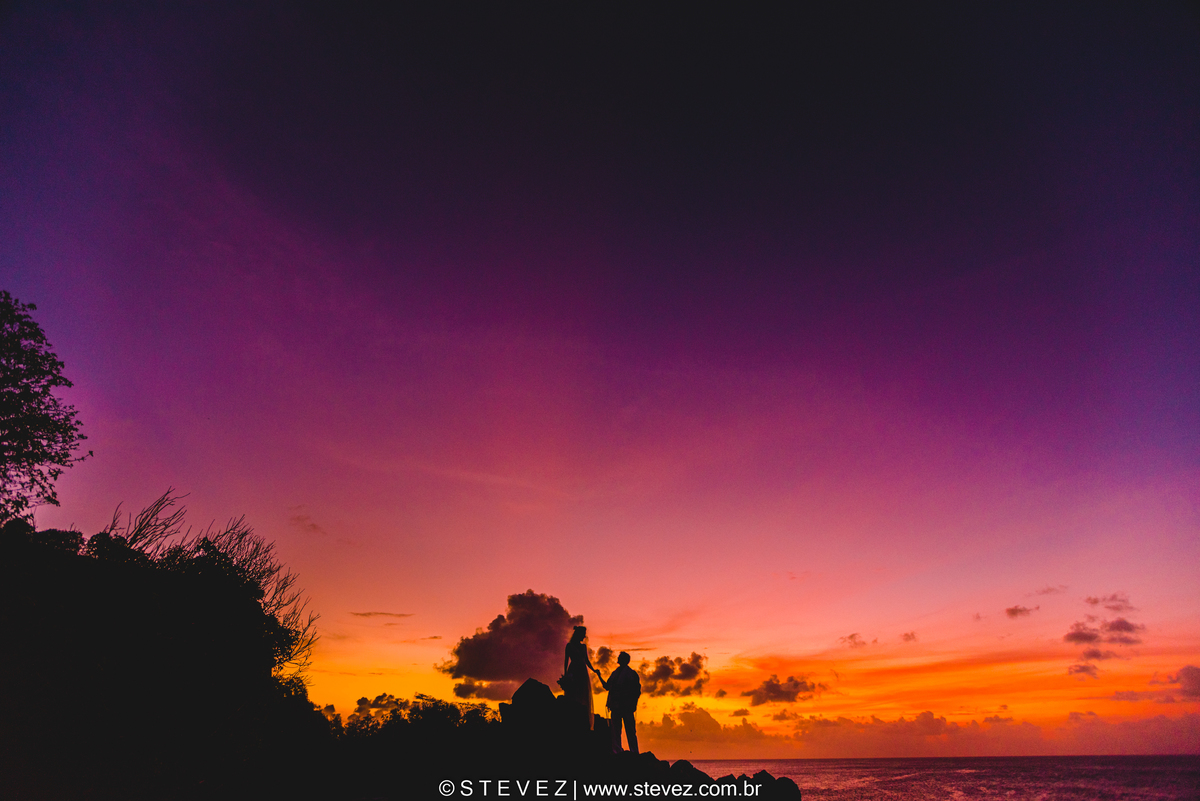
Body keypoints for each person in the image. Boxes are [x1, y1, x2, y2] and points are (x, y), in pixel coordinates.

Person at [598, 652, 640, 754]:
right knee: (616, 731)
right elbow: (607, 687)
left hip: (626, 707)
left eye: (620, 657)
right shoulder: (615, 674)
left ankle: (633, 752)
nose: (618, 658)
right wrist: (599, 676)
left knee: (629, 731)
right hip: (616, 706)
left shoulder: (631, 674)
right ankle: (618, 751)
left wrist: (632, 704)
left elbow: (636, 691)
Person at [560, 625, 601, 731]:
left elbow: (586, 660)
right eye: (583, 634)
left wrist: (594, 670)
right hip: (574, 670)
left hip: (582, 671)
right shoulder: (569, 646)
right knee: (574, 692)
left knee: (582, 692)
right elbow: (566, 661)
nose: (584, 637)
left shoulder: (583, 647)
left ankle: (582, 716)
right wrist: (566, 675)